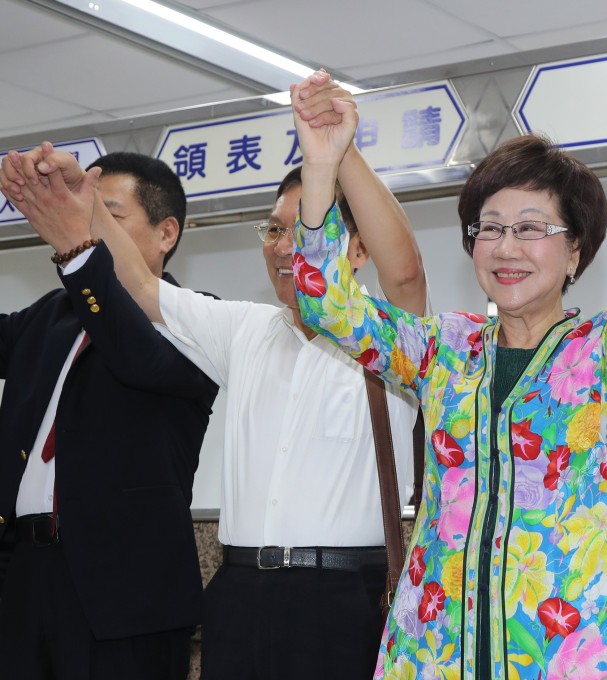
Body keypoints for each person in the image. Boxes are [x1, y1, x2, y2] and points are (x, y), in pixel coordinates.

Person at [290, 26, 607, 679]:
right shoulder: (442, 350)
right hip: (433, 651)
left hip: (567, 653)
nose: (507, 248)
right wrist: (321, 165)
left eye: (532, 229)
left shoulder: (603, 353)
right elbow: (323, 302)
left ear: (574, 253)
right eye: (490, 229)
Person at [0, 72, 427, 679]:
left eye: (309, 229)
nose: (286, 247)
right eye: (275, 229)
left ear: (357, 251)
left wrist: (337, 154)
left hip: (344, 596)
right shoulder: (242, 328)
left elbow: (406, 272)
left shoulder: (397, 344)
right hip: (239, 591)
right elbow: (143, 286)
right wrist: (84, 208)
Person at [0, 151, 218, 679]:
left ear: (166, 233)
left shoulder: (200, 321)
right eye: (80, 214)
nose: (88, 228)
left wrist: (78, 250)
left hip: (126, 597)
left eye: (105, 217)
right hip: (24, 579)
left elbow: (131, 352)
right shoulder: (51, 314)